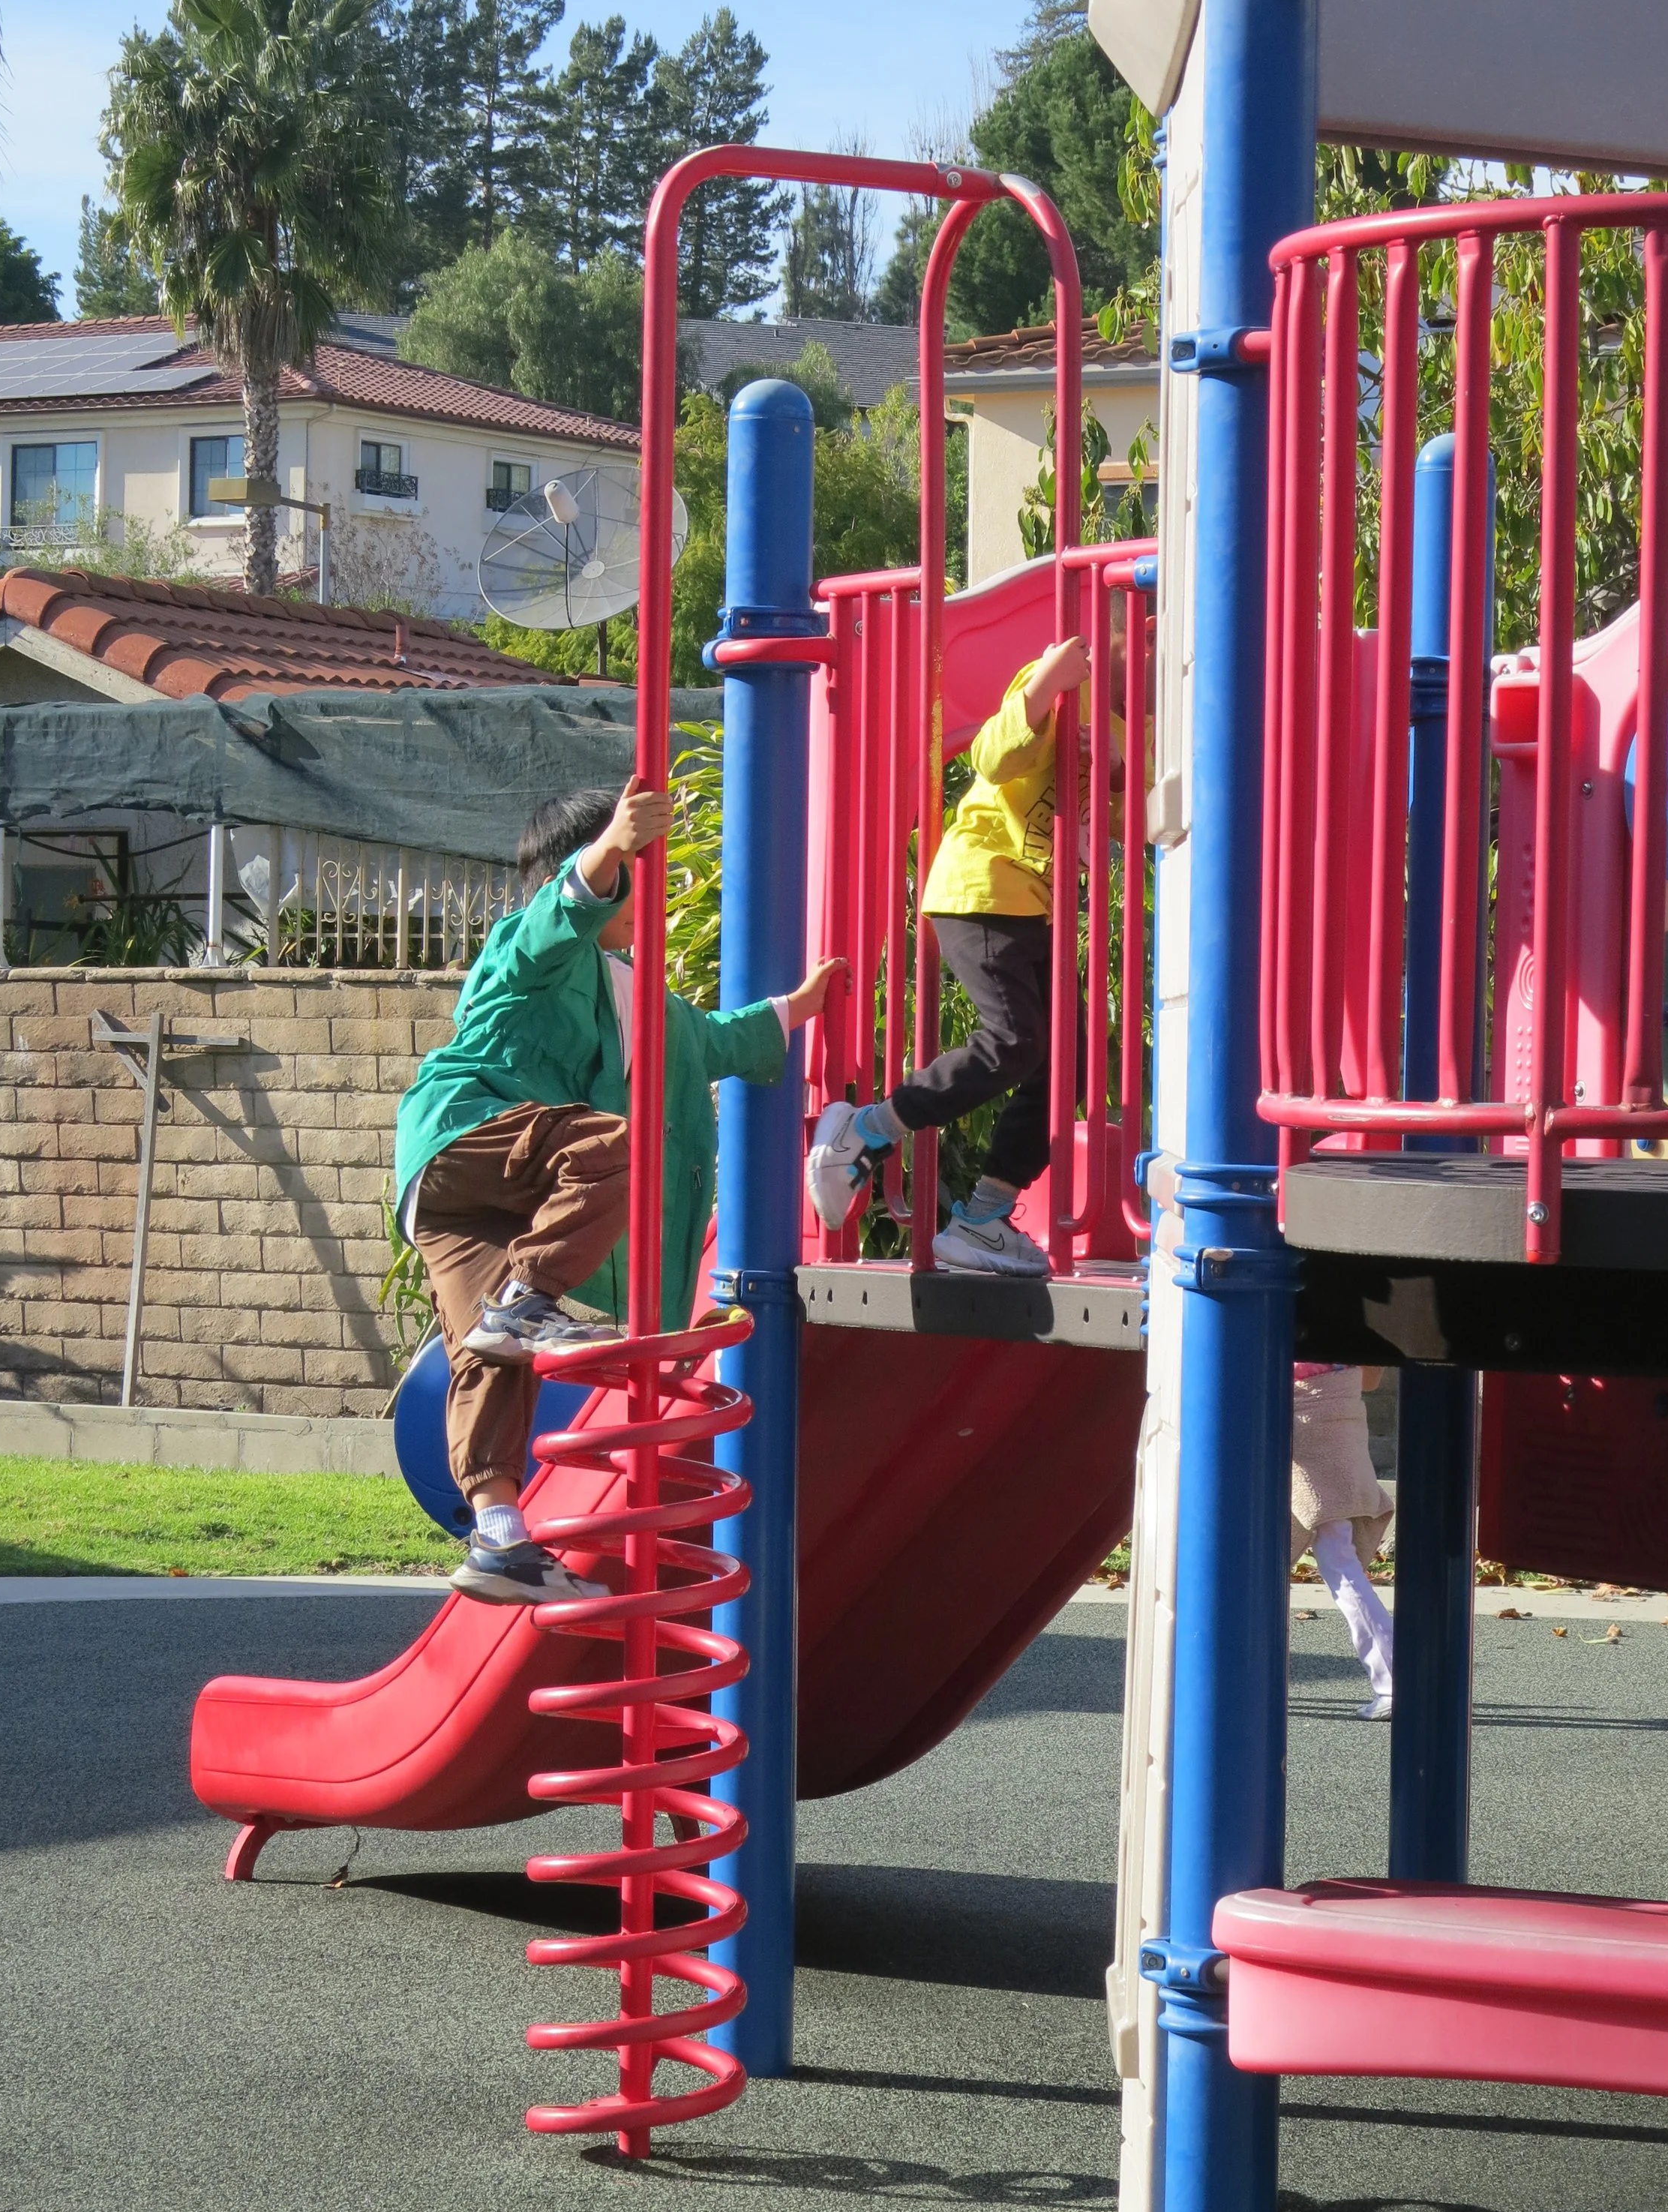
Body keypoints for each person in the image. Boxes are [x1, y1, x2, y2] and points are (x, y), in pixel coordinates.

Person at [394, 778, 841, 1607]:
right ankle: (527, 1299)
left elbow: (710, 1042)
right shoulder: (531, 948)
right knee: (616, 1143)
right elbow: (555, 917)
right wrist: (611, 846)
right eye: (639, 869)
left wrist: (797, 1008)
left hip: (475, 1209)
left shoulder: (639, 994)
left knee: (490, 1358)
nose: (649, 889)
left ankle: (499, 1537)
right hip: (466, 1137)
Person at [805, 631, 1124, 1276]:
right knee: (1012, 1040)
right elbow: (993, 755)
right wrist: (1043, 688)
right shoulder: (1062, 679)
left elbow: (1125, 815)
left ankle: (983, 1216)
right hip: (982, 885)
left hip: (1034, 902)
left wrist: (1116, 766)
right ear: (1128, 638)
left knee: (1066, 1056)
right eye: (1147, 643)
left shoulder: (1129, 723)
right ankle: (867, 1128)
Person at [1292, 1363, 1395, 1719]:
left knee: (1338, 1560)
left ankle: (1394, 1678)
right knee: (1339, 1555)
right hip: (1342, 1407)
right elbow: (1371, 1378)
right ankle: (1395, 1678)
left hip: (1304, 1411)